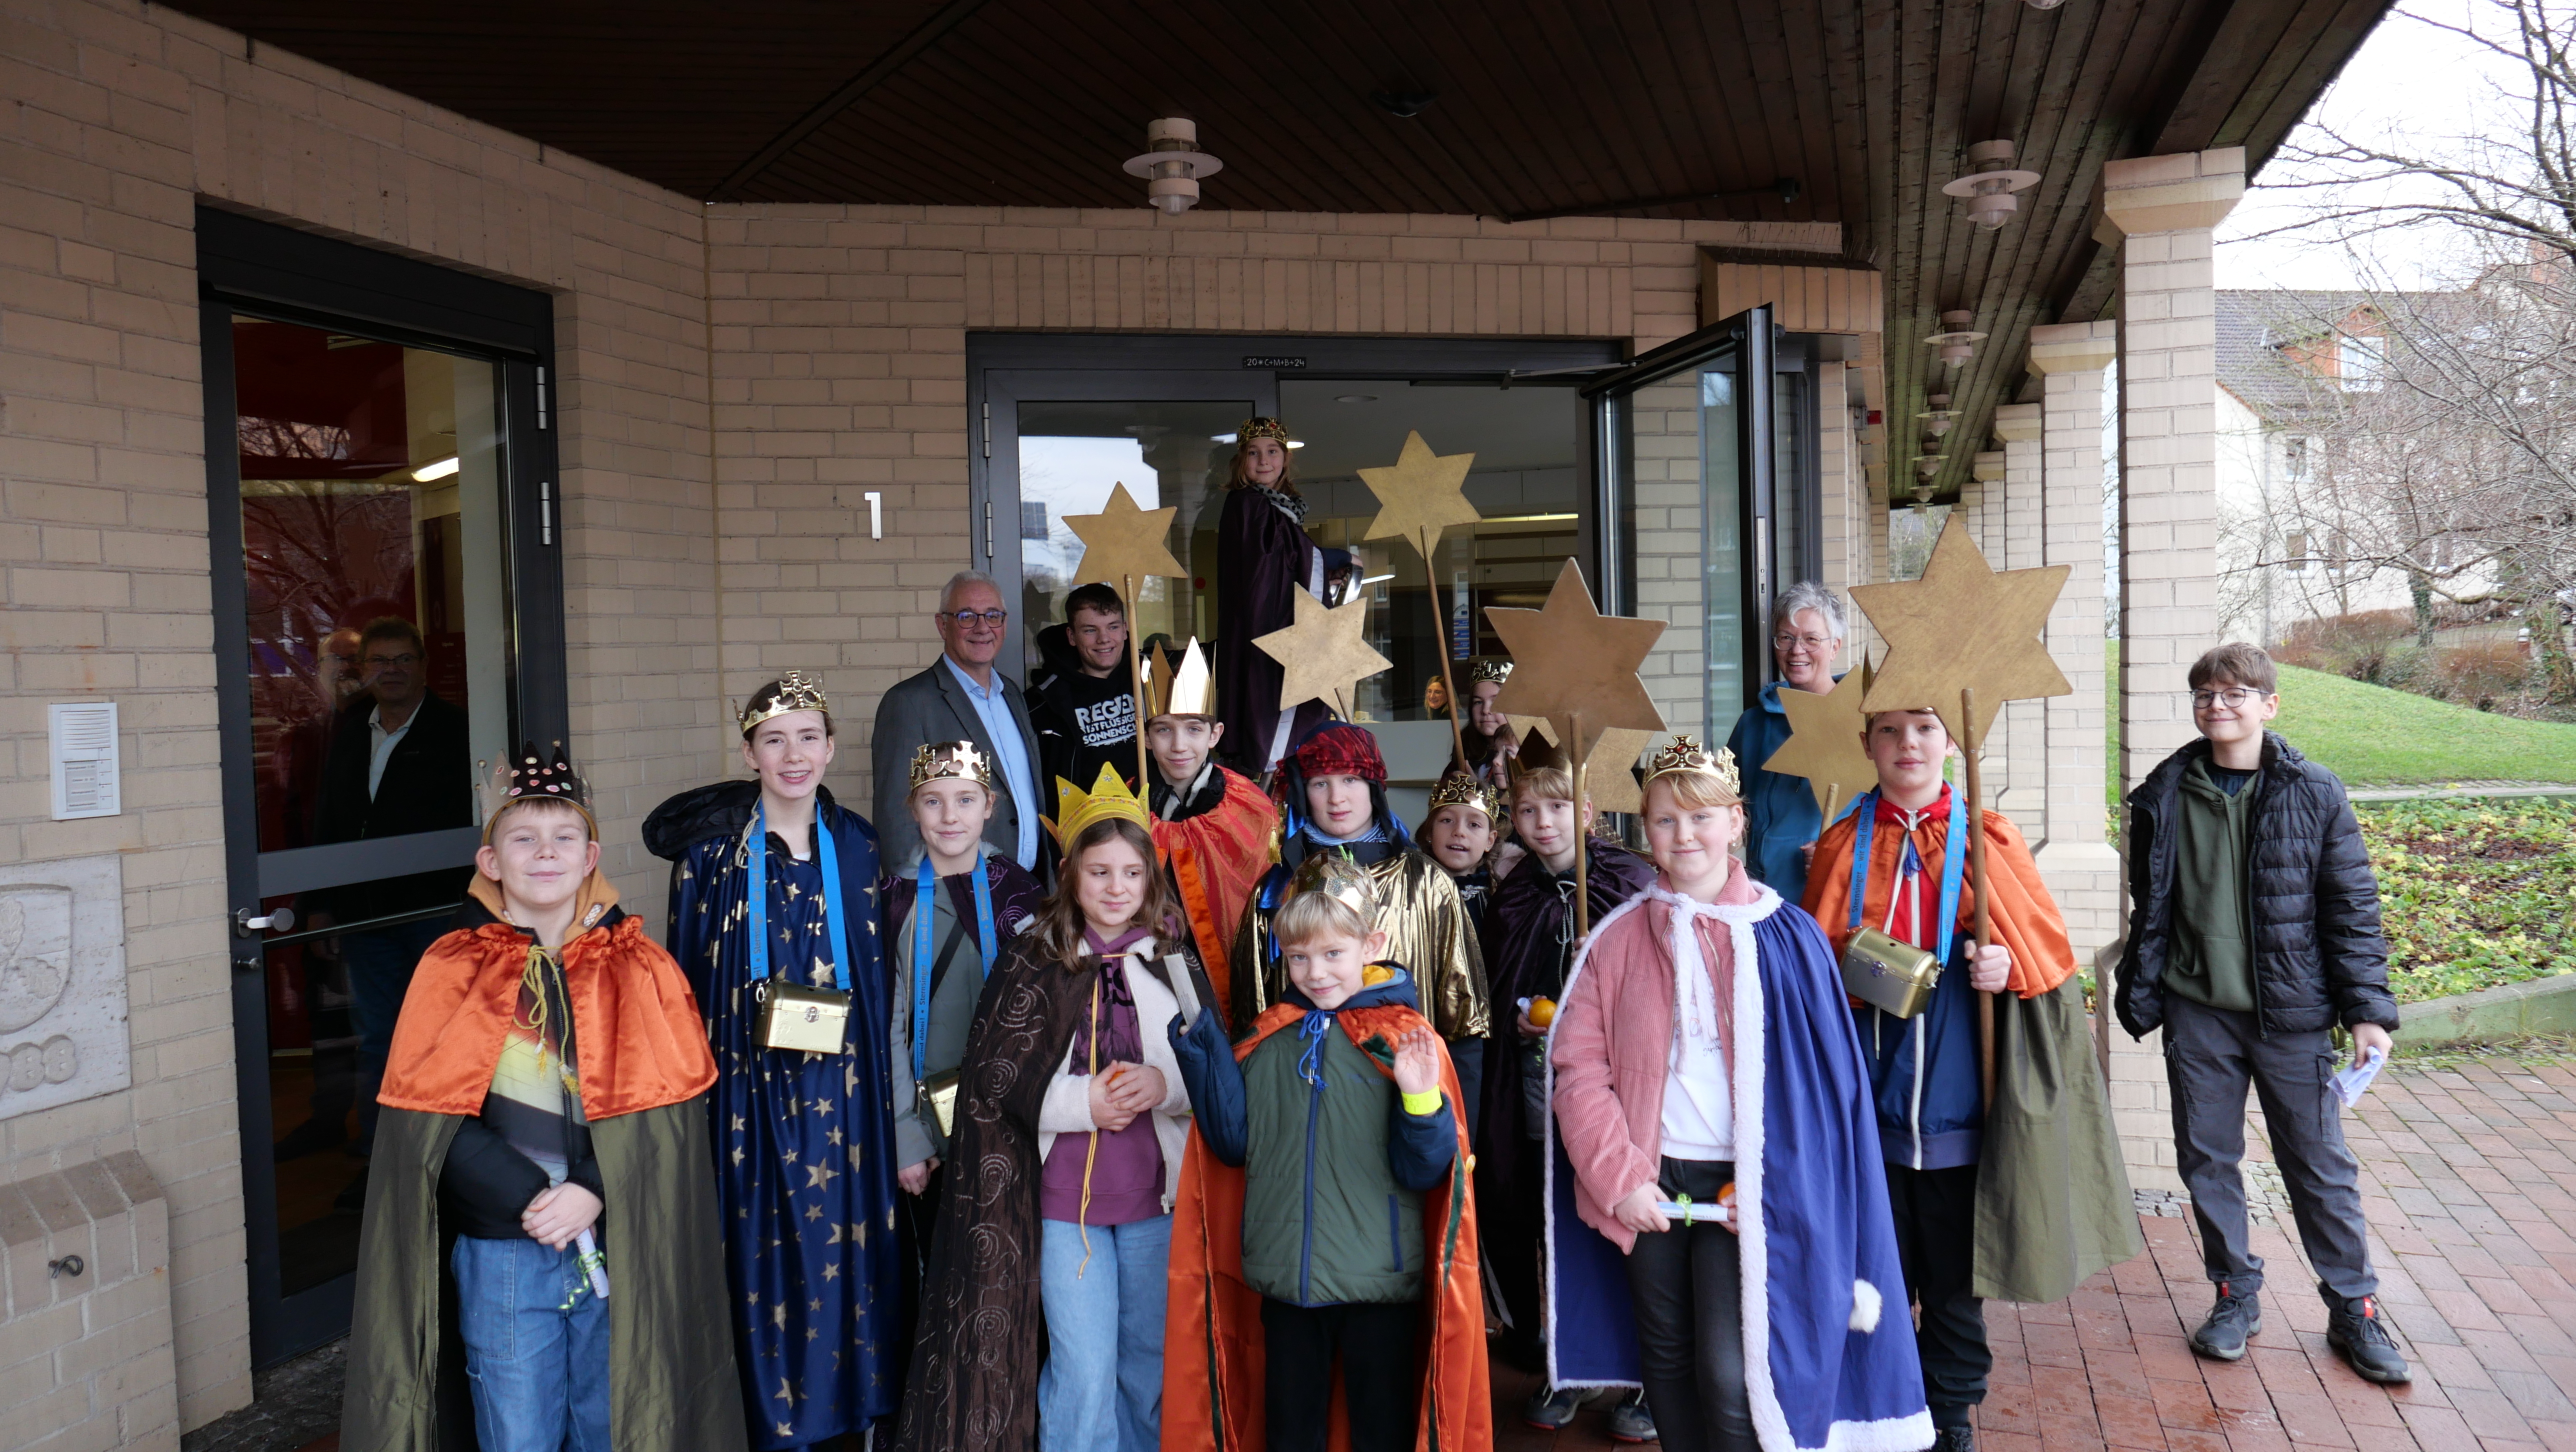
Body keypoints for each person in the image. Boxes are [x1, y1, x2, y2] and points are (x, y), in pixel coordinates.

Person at [344, 746, 744, 1452]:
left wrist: (592, 1190)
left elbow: (668, 1118)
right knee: (516, 1427)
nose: (545, 854)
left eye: (564, 838)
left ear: (590, 855)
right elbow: (425, 1119)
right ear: (491, 861)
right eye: (523, 839)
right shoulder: (452, 966)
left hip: (619, 1239)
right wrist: (527, 1196)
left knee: (613, 1420)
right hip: (504, 1247)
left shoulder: (641, 967)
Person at [1547, 738, 1928, 1452]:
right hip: (1650, 1181)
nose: (1683, 835)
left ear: (1737, 822)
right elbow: (1579, 1069)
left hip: (1749, 1187)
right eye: (1664, 821)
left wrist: (1776, 1185)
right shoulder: (1616, 939)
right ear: (1644, 830)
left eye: (1701, 818)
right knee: (1665, 1361)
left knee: (1731, 1372)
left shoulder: (1787, 935)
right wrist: (1619, 1179)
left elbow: (1824, 1088)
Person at [1804, 706, 2138, 1452]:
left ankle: (1950, 1410)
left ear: (1950, 742)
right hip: (1873, 1091)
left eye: (1924, 729)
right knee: (1881, 1262)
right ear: (1868, 746)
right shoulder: (1839, 842)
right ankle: (1887, 1398)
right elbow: (1813, 963)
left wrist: (2006, 965)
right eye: (1889, 732)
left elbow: (2040, 949)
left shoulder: (1990, 839)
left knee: (1954, 1273)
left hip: (1957, 1090)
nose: (1908, 746)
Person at [896, 772, 1217, 1452]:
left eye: (1132, 872)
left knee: (1148, 1364)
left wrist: (1166, 1086)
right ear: (1070, 875)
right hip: (1065, 1206)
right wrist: (1082, 1101)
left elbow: (1214, 1072)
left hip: (1156, 1205)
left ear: (1150, 878)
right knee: (1084, 1368)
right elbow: (993, 1085)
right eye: (1099, 871)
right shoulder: (1031, 961)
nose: (1115, 887)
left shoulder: (1173, 963)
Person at [2114, 644, 2407, 1383]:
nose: (2219, 705)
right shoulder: (2163, 792)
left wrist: (2367, 1011)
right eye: (2206, 694)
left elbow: (2352, 908)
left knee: (2319, 1165)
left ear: (2269, 704)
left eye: (2237, 693)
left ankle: (2354, 1309)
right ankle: (2233, 1293)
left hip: (2292, 1015)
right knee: (2208, 1161)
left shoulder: (2314, 791)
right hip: (2197, 1011)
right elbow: (2151, 905)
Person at [1163, 855, 1490, 1452]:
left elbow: (1424, 1170)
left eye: (1333, 954)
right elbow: (1233, 1146)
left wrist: (1420, 1098)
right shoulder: (1268, 1038)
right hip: (1286, 1282)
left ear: (1373, 944)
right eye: (1299, 957)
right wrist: (1203, 1055)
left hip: (1378, 1283)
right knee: (1290, 1432)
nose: (1316, 972)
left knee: (1380, 1431)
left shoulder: (1404, 1038)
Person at [656, 674, 905, 1452]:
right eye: (774, 740)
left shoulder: (861, 847)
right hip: (750, 1102)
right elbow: (686, 985)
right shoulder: (709, 860)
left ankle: (852, 1419)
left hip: (851, 1100)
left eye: (807, 738)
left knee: (849, 1254)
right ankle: (768, 1425)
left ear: (831, 747)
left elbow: (884, 982)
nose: (792, 755)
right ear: (749, 753)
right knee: (761, 1257)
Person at [1482, 734, 1656, 1430]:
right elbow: (1502, 984)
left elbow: (1652, 997)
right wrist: (1527, 1022)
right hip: (1535, 1088)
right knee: (1556, 1220)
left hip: (1616, 1094)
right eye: (1528, 810)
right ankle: (1572, 1364)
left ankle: (1647, 1376)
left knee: (1621, 1221)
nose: (1544, 822)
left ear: (1587, 809)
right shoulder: (1515, 891)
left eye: (1558, 807)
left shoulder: (1629, 882)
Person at [1232, 722, 1488, 1120]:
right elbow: (1251, 1021)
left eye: (1350, 778)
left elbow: (1464, 1024)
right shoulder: (1274, 892)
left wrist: (1456, 1132)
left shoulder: (1427, 883)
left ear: (1374, 786)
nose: (1337, 798)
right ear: (1303, 792)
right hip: (1303, 1112)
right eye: (1320, 783)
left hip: (1411, 1107)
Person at [306, 616, 474, 1160]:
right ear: (364, 671)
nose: (392, 671)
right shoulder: (352, 728)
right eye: (379, 661)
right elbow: (331, 818)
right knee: (379, 1040)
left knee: (440, 1036)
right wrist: (320, 905)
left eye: (404, 659)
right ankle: (381, 1166)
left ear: (425, 667)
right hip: (366, 918)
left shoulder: (459, 730)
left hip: (436, 915)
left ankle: (443, 1160)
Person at [882, 740, 1045, 1278]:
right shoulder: (893, 899)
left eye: (966, 800)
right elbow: (890, 1027)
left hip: (1019, 1124)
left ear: (990, 806)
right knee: (949, 1279)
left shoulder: (1022, 894)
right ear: (911, 808)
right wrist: (908, 1136)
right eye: (932, 801)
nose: (950, 816)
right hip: (934, 1134)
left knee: (1019, 1273)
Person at [1140, 638, 1277, 1020]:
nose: (1179, 745)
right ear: (1146, 738)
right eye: (1163, 730)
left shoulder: (1249, 807)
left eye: (1193, 729)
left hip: (1230, 979)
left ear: (1215, 735)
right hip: (1155, 977)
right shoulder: (1131, 804)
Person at [873, 570, 1046, 872]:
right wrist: (919, 907)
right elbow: (897, 821)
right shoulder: (909, 703)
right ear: (943, 625)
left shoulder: (1012, 694)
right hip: (958, 896)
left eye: (993, 616)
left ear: (1004, 624)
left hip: (1029, 889)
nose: (983, 628)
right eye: (967, 616)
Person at [1212, 418, 1349, 774]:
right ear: (1241, 461)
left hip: (1268, 624)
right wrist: (1330, 558)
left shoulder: (1278, 506)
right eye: (1254, 453)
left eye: (1273, 452)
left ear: (1286, 459)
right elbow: (1271, 563)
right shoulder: (1246, 504)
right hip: (1263, 631)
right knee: (1268, 706)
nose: (1264, 460)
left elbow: (1285, 563)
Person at [1725, 582, 1854, 903]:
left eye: (1812, 639)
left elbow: (1897, 815)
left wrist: (1841, 852)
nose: (1797, 651)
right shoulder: (1753, 724)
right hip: (1760, 899)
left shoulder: (1867, 722)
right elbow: (1724, 803)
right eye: (1786, 638)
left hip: (1833, 897)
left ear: (1835, 647)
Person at [1030, 581, 1141, 792]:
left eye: (1113, 627)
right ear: (1072, 637)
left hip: (1152, 818)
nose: (1104, 639)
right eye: (1090, 630)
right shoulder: (1044, 703)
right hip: (1084, 821)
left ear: (1126, 630)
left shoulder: (1150, 678)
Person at [1416, 766, 1504, 950]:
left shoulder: (1503, 901)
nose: (1459, 832)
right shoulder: (1411, 892)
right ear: (1430, 832)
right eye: (1447, 821)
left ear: (1490, 840)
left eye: (1474, 824)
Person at [1460, 659, 1519, 786]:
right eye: (1478, 702)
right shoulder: (1463, 751)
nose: (1486, 711)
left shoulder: (1530, 755)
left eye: (1496, 702)